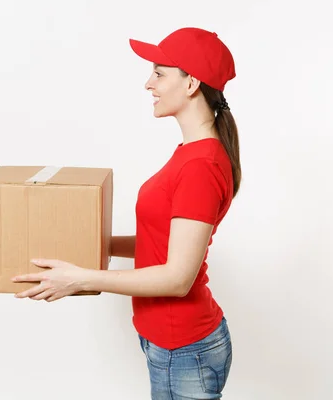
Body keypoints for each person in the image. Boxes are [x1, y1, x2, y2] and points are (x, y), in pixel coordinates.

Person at [12, 27, 241, 399]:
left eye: (159, 73)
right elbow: (163, 242)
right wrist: (94, 245)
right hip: (171, 345)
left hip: (184, 349)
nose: (148, 84)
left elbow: (177, 278)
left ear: (191, 83)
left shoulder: (201, 165)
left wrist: (84, 279)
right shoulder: (191, 153)